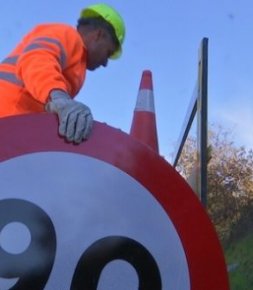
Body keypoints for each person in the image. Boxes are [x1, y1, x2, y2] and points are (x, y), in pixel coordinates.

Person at [0, 3, 125, 143]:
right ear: (99, 35)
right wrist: (59, 97)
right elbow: (37, 59)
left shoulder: (79, 63)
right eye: (108, 53)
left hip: (16, 130)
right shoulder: (68, 35)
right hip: (7, 119)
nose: (105, 63)